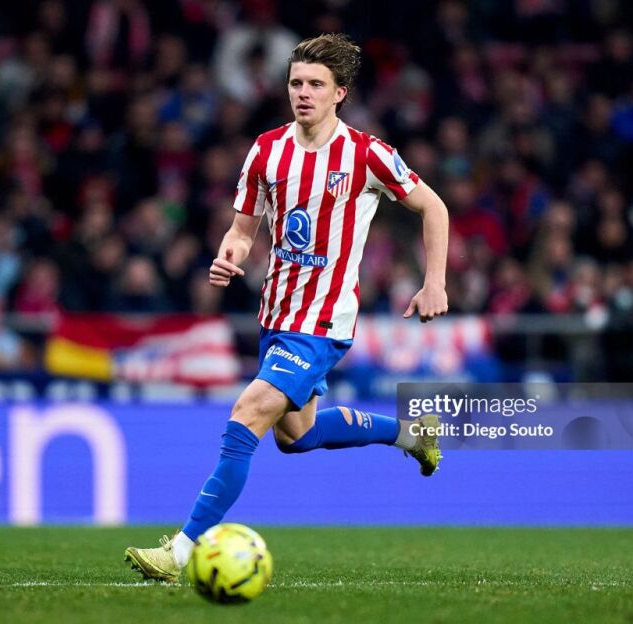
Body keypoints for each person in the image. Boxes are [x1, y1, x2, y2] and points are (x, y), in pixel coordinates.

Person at [125, 33, 449, 581]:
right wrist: (230, 254)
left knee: (248, 412)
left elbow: (433, 207)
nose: (303, 92)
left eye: (316, 84)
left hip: (322, 321)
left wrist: (434, 281)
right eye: (296, 82)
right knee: (297, 436)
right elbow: (241, 229)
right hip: (276, 315)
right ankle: (411, 435)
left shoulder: (366, 154)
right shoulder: (267, 150)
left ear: (339, 93)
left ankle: (179, 552)